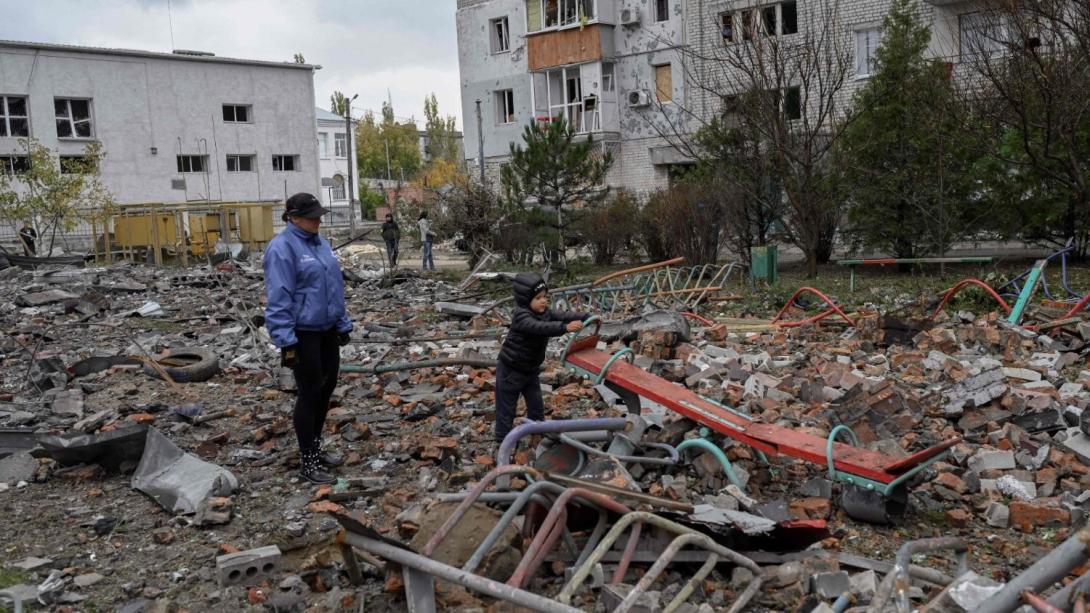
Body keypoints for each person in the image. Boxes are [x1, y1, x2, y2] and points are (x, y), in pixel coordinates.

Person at [264, 193, 353, 484]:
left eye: (318, 216)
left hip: (327, 329)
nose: (318, 221)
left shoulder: (320, 243)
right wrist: (285, 340)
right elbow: (279, 297)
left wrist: (342, 323)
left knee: (326, 390)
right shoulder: (282, 248)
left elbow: (334, 286)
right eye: (312, 217)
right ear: (293, 217)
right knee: (310, 393)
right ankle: (308, 461)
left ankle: (316, 446)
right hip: (302, 334)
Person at [494, 273, 587, 443]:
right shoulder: (522, 316)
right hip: (511, 370)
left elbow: (562, 315)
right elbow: (539, 327)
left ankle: (538, 437)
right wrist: (565, 328)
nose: (543, 301)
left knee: (536, 406)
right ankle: (502, 442)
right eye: (538, 298)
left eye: (545, 296)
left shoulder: (544, 312)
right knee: (506, 408)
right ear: (526, 300)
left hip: (530, 370)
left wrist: (584, 316)